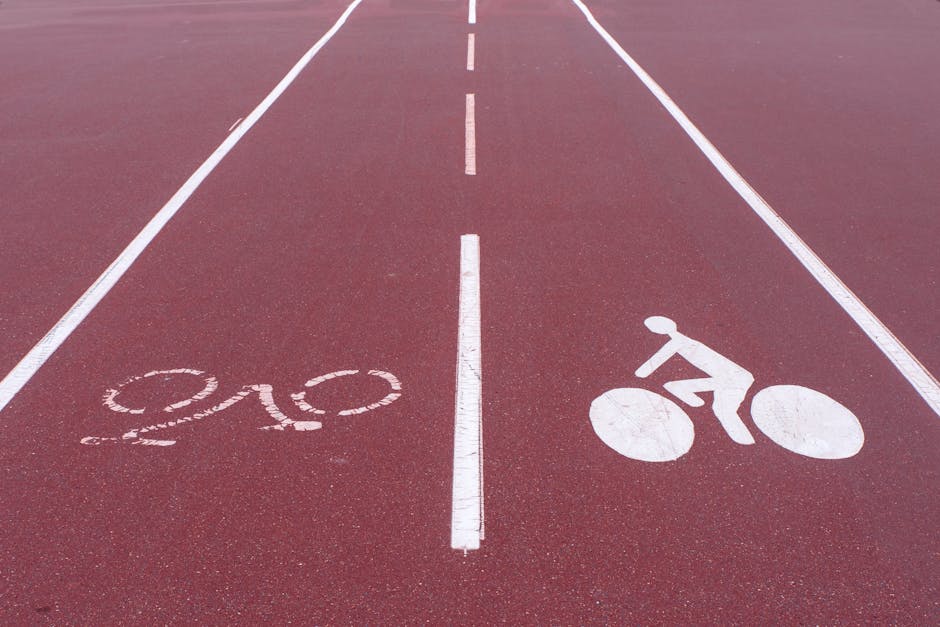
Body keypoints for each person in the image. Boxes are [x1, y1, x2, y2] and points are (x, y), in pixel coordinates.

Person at [635, 316, 755, 445]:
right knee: (720, 408)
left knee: (723, 410)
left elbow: (654, 361)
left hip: (734, 378)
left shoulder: (678, 341)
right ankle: (696, 402)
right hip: (729, 378)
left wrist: (640, 373)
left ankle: (747, 442)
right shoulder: (684, 340)